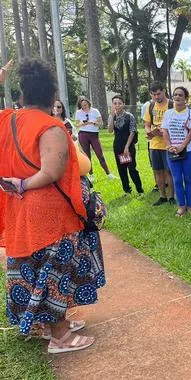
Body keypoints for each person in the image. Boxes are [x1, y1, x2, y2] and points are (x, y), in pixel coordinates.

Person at [0, 59, 104, 353]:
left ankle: (46, 327)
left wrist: (1, 76)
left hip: (18, 210)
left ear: (22, 95)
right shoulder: (51, 126)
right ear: (52, 96)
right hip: (49, 213)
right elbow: (51, 173)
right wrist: (24, 183)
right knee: (55, 271)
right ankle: (61, 336)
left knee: (31, 269)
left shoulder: (6, 119)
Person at [161, 87, 191, 217]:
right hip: (172, 151)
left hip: (188, 151)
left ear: (186, 98)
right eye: (175, 95)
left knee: (188, 178)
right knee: (177, 179)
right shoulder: (168, 113)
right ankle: (181, 206)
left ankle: (190, 205)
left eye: (180, 95)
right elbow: (165, 131)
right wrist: (169, 145)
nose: (177, 97)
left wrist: (183, 145)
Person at [144, 81, 175, 206]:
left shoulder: (172, 104)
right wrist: (151, 132)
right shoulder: (151, 106)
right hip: (155, 144)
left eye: (158, 94)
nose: (156, 97)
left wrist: (166, 131)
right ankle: (162, 196)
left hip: (169, 143)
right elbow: (146, 124)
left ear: (164, 91)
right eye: (154, 95)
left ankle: (172, 196)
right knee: (158, 171)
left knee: (169, 171)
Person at [107, 95, 144, 196]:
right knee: (121, 169)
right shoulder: (112, 116)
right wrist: (112, 116)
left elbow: (132, 131)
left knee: (131, 168)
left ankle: (140, 190)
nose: (117, 105)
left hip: (128, 145)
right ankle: (127, 190)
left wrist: (127, 147)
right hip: (118, 145)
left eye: (119, 103)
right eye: (115, 103)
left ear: (123, 104)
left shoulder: (129, 116)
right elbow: (110, 130)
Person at [74, 96, 115, 181]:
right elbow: (76, 124)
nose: (84, 107)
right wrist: (81, 124)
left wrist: (93, 123)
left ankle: (108, 173)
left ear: (88, 104)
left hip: (94, 134)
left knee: (100, 154)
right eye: (82, 106)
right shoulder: (78, 112)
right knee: (87, 155)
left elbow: (101, 123)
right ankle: (91, 174)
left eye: (85, 105)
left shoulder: (95, 111)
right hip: (83, 134)